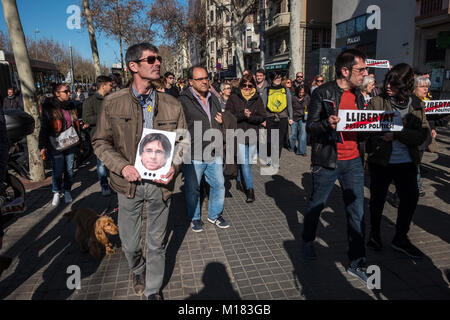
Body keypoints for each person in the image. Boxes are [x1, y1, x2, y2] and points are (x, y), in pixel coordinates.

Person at [92, 42, 187, 300]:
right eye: (151, 59)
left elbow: (184, 141)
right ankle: (137, 268)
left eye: (158, 59)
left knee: (156, 244)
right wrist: (122, 166)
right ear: (133, 66)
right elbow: (99, 141)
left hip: (161, 185)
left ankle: (153, 289)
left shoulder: (171, 104)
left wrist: (175, 166)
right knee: (131, 244)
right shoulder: (112, 103)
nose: (158, 63)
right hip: (128, 185)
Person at [302, 49, 369, 283]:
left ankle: (357, 260)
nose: (365, 74)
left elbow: (362, 126)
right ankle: (308, 240)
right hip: (327, 160)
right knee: (316, 205)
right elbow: (310, 127)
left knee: (357, 211)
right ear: (345, 71)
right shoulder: (323, 92)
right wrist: (326, 124)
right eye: (361, 70)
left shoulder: (360, 95)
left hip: (353, 163)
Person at [366, 63, 429, 259]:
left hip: (406, 162)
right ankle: (374, 235)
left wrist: (399, 133)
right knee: (377, 200)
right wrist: (380, 134)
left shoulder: (416, 105)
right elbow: (366, 130)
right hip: (381, 161)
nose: (388, 87)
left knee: (410, 199)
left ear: (405, 85)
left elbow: (422, 136)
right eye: (387, 82)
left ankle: (400, 237)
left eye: (393, 84)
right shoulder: (377, 102)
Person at [179, 65, 229, 233]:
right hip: (193, 153)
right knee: (193, 189)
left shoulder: (213, 97)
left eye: (206, 77)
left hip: (213, 150)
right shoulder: (183, 100)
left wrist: (221, 122)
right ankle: (194, 217)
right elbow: (179, 127)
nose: (204, 81)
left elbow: (218, 118)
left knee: (219, 184)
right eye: (199, 79)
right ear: (190, 82)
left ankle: (214, 215)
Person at [225, 73, 265, 203]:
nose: (247, 87)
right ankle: (250, 190)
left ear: (253, 85)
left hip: (253, 135)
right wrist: (242, 115)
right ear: (241, 85)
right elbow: (228, 116)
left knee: (246, 163)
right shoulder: (234, 97)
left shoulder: (257, 98)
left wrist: (250, 117)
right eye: (244, 85)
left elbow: (262, 117)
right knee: (246, 163)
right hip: (239, 135)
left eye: (249, 85)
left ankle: (239, 179)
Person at [39, 83, 80, 206]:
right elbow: (44, 128)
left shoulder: (71, 105)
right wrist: (42, 146)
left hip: (70, 142)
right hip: (55, 143)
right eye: (65, 91)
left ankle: (67, 190)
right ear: (57, 94)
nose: (68, 93)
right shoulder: (49, 107)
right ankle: (56, 192)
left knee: (69, 169)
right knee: (57, 169)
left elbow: (75, 122)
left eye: (68, 91)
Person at [82, 75, 113, 196]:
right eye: (110, 85)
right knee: (101, 163)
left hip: (113, 136)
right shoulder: (89, 101)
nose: (112, 87)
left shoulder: (111, 98)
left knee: (113, 161)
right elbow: (87, 118)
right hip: (98, 136)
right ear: (103, 85)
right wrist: (104, 117)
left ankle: (114, 185)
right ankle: (104, 185)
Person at [260, 71, 293, 167]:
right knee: (270, 140)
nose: (278, 80)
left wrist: (291, 117)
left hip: (282, 117)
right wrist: (263, 119)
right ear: (272, 79)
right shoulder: (267, 90)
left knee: (279, 141)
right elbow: (263, 105)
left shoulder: (285, 90)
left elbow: (289, 104)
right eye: (276, 78)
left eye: (279, 78)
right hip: (270, 117)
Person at [289, 85, 310, 156]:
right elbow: (290, 108)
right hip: (294, 118)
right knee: (293, 135)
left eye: (303, 92)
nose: (301, 94)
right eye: (300, 92)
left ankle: (302, 151)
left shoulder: (307, 97)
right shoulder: (293, 98)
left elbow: (310, 106)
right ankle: (291, 147)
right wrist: (290, 118)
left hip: (303, 118)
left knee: (303, 134)